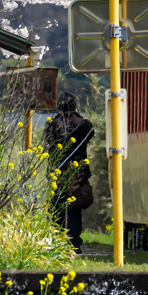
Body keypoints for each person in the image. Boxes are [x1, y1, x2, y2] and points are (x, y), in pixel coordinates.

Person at [44, 92, 94, 253]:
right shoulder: (84, 124)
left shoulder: (52, 124)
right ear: (75, 107)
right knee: (74, 208)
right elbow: (90, 134)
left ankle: (57, 242)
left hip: (56, 172)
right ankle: (74, 245)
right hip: (77, 172)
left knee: (57, 208)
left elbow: (47, 140)